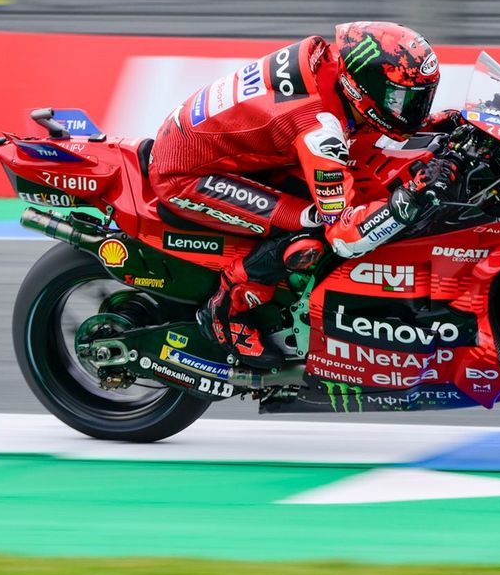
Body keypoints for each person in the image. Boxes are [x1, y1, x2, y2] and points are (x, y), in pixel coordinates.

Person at [149, 21, 460, 369]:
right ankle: (225, 309)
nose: (414, 109)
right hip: (187, 175)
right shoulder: (318, 129)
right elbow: (343, 235)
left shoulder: (326, 61)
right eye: (404, 99)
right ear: (364, 88)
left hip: (226, 149)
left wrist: (432, 124)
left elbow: (360, 124)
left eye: (422, 98)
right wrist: (410, 200)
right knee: (311, 231)